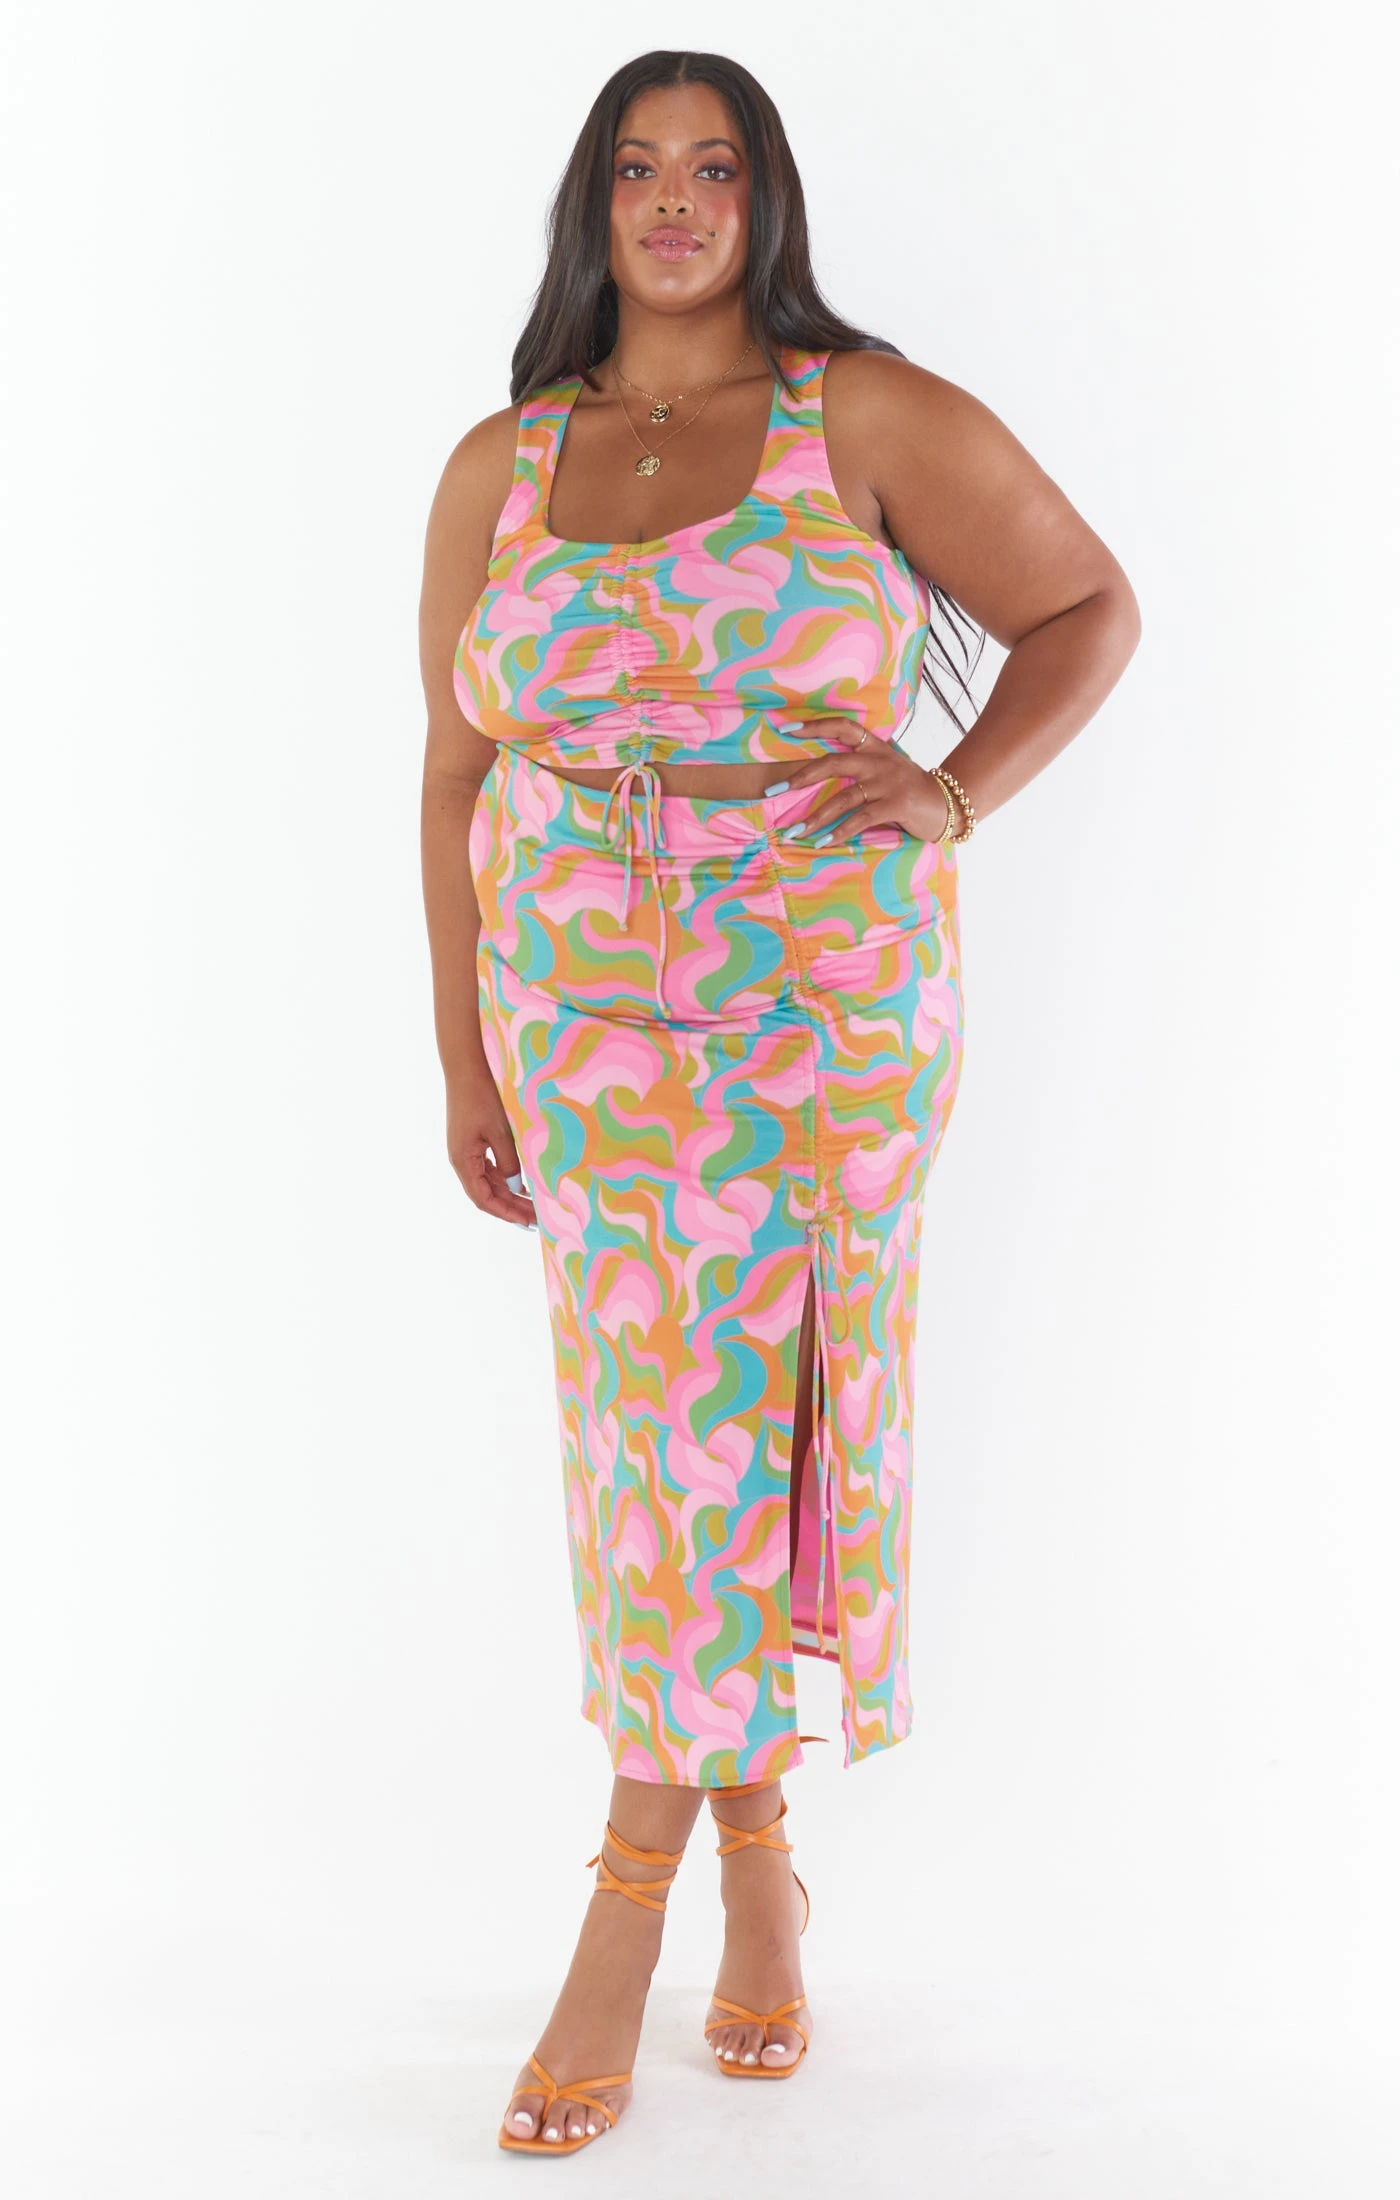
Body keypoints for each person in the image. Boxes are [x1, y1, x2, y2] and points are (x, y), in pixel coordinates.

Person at [418, 48, 1140, 2158]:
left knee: (749, 1418)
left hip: (818, 1003)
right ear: (592, 204)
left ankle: (627, 1898)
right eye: (637, 168)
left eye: (713, 166)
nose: (674, 201)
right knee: (653, 1429)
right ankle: (756, 1864)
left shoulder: (864, 417)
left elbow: (1085, 607)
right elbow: (454, 774)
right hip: (580, 1009)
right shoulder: (501, 462)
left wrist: (951, 791)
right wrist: (461, 1047)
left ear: (765, 201)